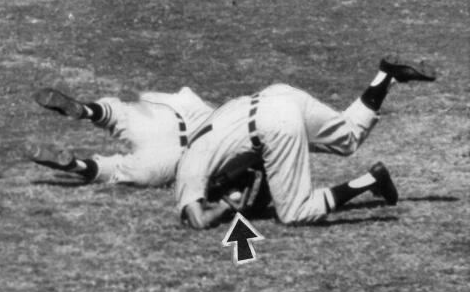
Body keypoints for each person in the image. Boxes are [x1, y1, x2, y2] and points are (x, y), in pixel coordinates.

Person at [176, 58, 435, 229]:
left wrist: (224, 206)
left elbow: (197, 220)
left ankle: (370, 180)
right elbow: (267, 178)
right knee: (349, 137)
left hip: (273, 124)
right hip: (278, 96)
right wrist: (251, 208)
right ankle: (386, 75)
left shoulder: (189, 171)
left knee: (293, 214)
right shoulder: (209, 135)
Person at [30, 87, 215, 187]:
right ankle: (78, 166)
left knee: (122, 116)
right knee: (127, 171)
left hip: (173, 118)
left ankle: (87, 111)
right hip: (179, 158)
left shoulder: (229, 112)